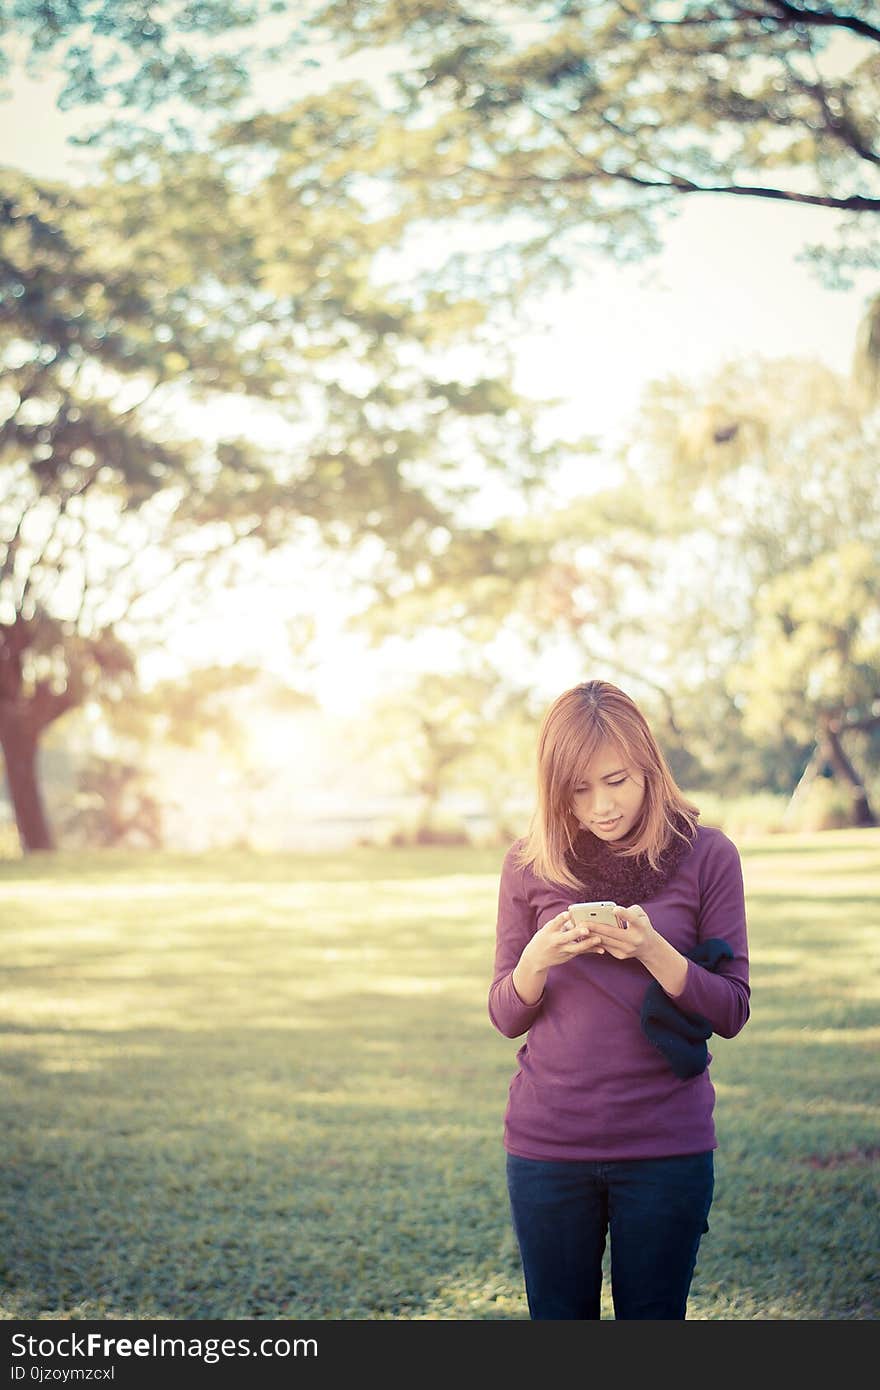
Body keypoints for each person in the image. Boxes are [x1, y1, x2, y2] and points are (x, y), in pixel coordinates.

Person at [489, 679, 750, 1320]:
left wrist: (653, 950)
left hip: (666, 1145)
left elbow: (732, 1010)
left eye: (616, 781)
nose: (601, 805)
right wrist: (536, 961)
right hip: (548, 1147)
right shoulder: (529, 862)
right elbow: (504, 1012)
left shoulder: (707, 855)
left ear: (649, 769)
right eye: (578, 789)